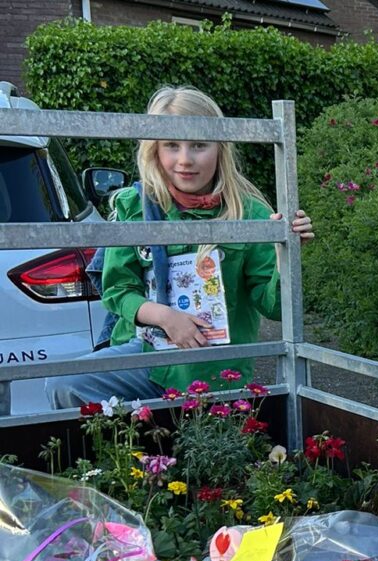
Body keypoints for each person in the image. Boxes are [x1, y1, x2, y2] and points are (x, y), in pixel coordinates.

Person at [45, 86, 314, 409]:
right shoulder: (134, 206)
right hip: (145, 358)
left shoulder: (252, 214)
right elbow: (117, 290)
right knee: (64, 383)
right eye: (172, 145)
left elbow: (276, 309)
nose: (185, 160)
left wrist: (286, 253)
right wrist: (165, 317)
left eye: (198, 145)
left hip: (213, 370)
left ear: (220, 148)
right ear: (155, 150)